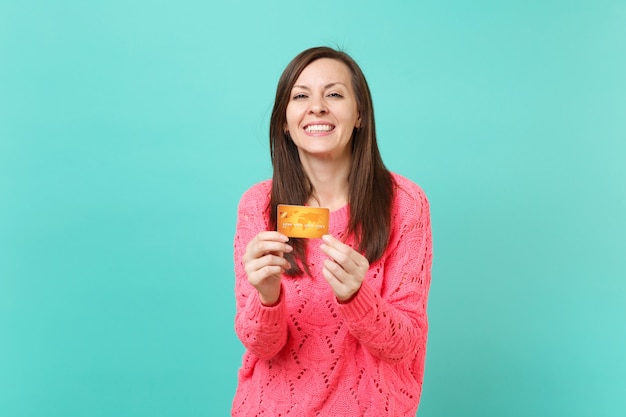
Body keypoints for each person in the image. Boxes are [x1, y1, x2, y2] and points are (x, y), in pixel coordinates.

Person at [232, 46, 433, 416]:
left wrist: (359, 295)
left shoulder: (405, 203)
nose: (318, 107)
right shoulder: (258, 206)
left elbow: (405, 345)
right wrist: (267, 296)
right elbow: (261, 347)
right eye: (301, 95)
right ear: (284, 120)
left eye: (335, 94)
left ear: (359, 115)